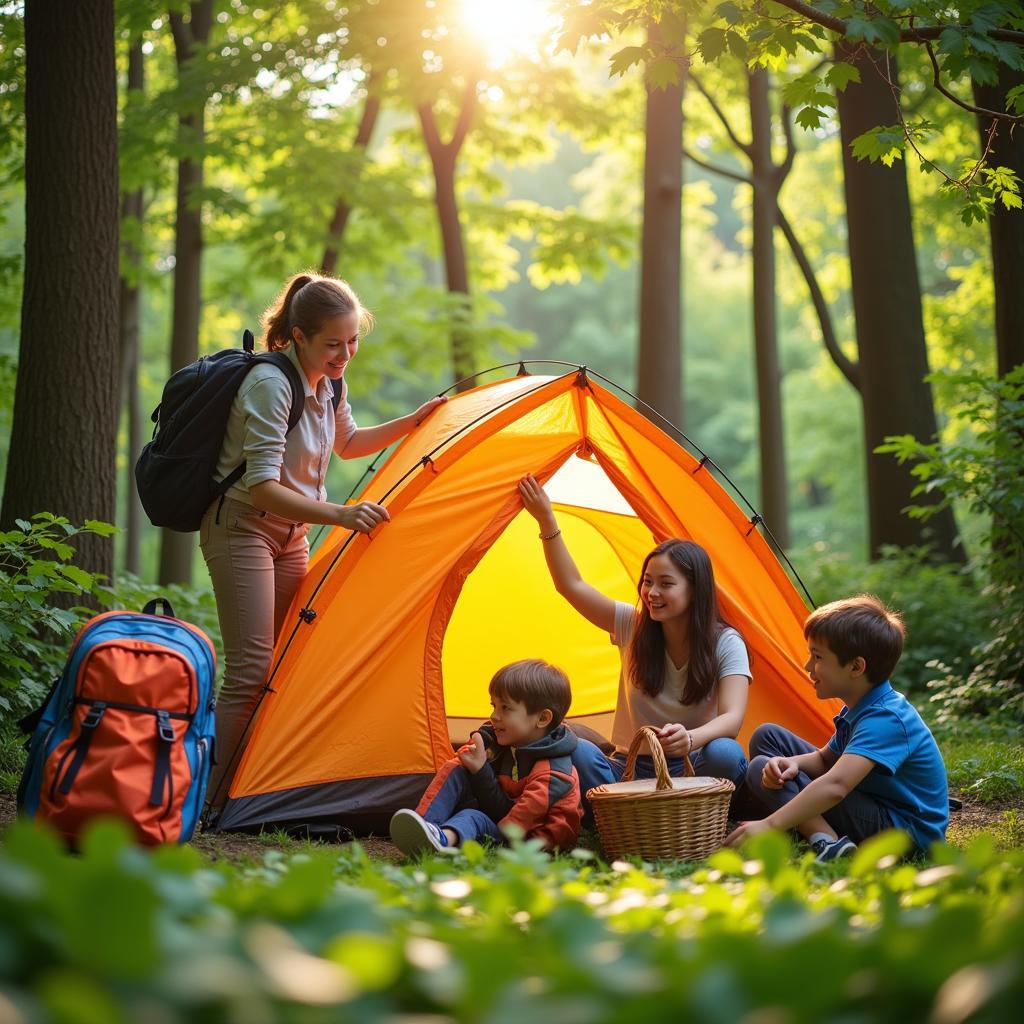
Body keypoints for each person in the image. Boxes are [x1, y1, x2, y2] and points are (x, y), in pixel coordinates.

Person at [202, 272, 446, 809]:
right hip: (243, 527)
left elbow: (350, 443)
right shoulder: (270, 385)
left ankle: (250, 787)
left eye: (353, 340)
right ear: (298, 336)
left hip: (293, 535)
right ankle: (210, 798)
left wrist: (415, 421)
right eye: (333, 343)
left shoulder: (330, 382)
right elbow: (261, 486)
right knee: (251, 668)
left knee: (289, 658)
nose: (345, 353)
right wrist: (340, 514)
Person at [517, 474, 752, 800]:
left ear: (695, 590)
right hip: (628, 769)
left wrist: (691, 738)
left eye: (666, 584)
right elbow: (571, 586)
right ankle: (622, 807)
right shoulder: (632, 625)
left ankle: (696, 809)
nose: (652, 592)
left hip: (692, 765)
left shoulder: (726, 642)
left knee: (726, 753)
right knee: (576, 750)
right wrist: (546, 519)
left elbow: (732, 717)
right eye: (648, 581)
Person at [724, 594, 949, 862]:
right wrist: (790, 764)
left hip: (904, 833)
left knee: (762, 766)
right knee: (768, 740)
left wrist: (769, 824)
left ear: (856, 667)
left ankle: (826, 842)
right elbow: (824, 760)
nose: (808, 666)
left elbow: (837, 786)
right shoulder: (860, 707)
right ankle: (825, 836)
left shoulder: (886, 719)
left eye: (817, 657)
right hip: (873, 805)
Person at [389, 659, 582, 855]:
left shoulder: (554, 771)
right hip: (507, 814)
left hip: (528, 837)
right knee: (457, 768)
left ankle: (443, 838)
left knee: (473, 817)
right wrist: (480, 748)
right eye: (494, 705)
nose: (494, 715)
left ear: (542, 719)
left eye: (505, 708)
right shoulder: (511, 741)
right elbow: (496, 799)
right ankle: (424, 826)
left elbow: (514, 827)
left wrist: (482, 818)